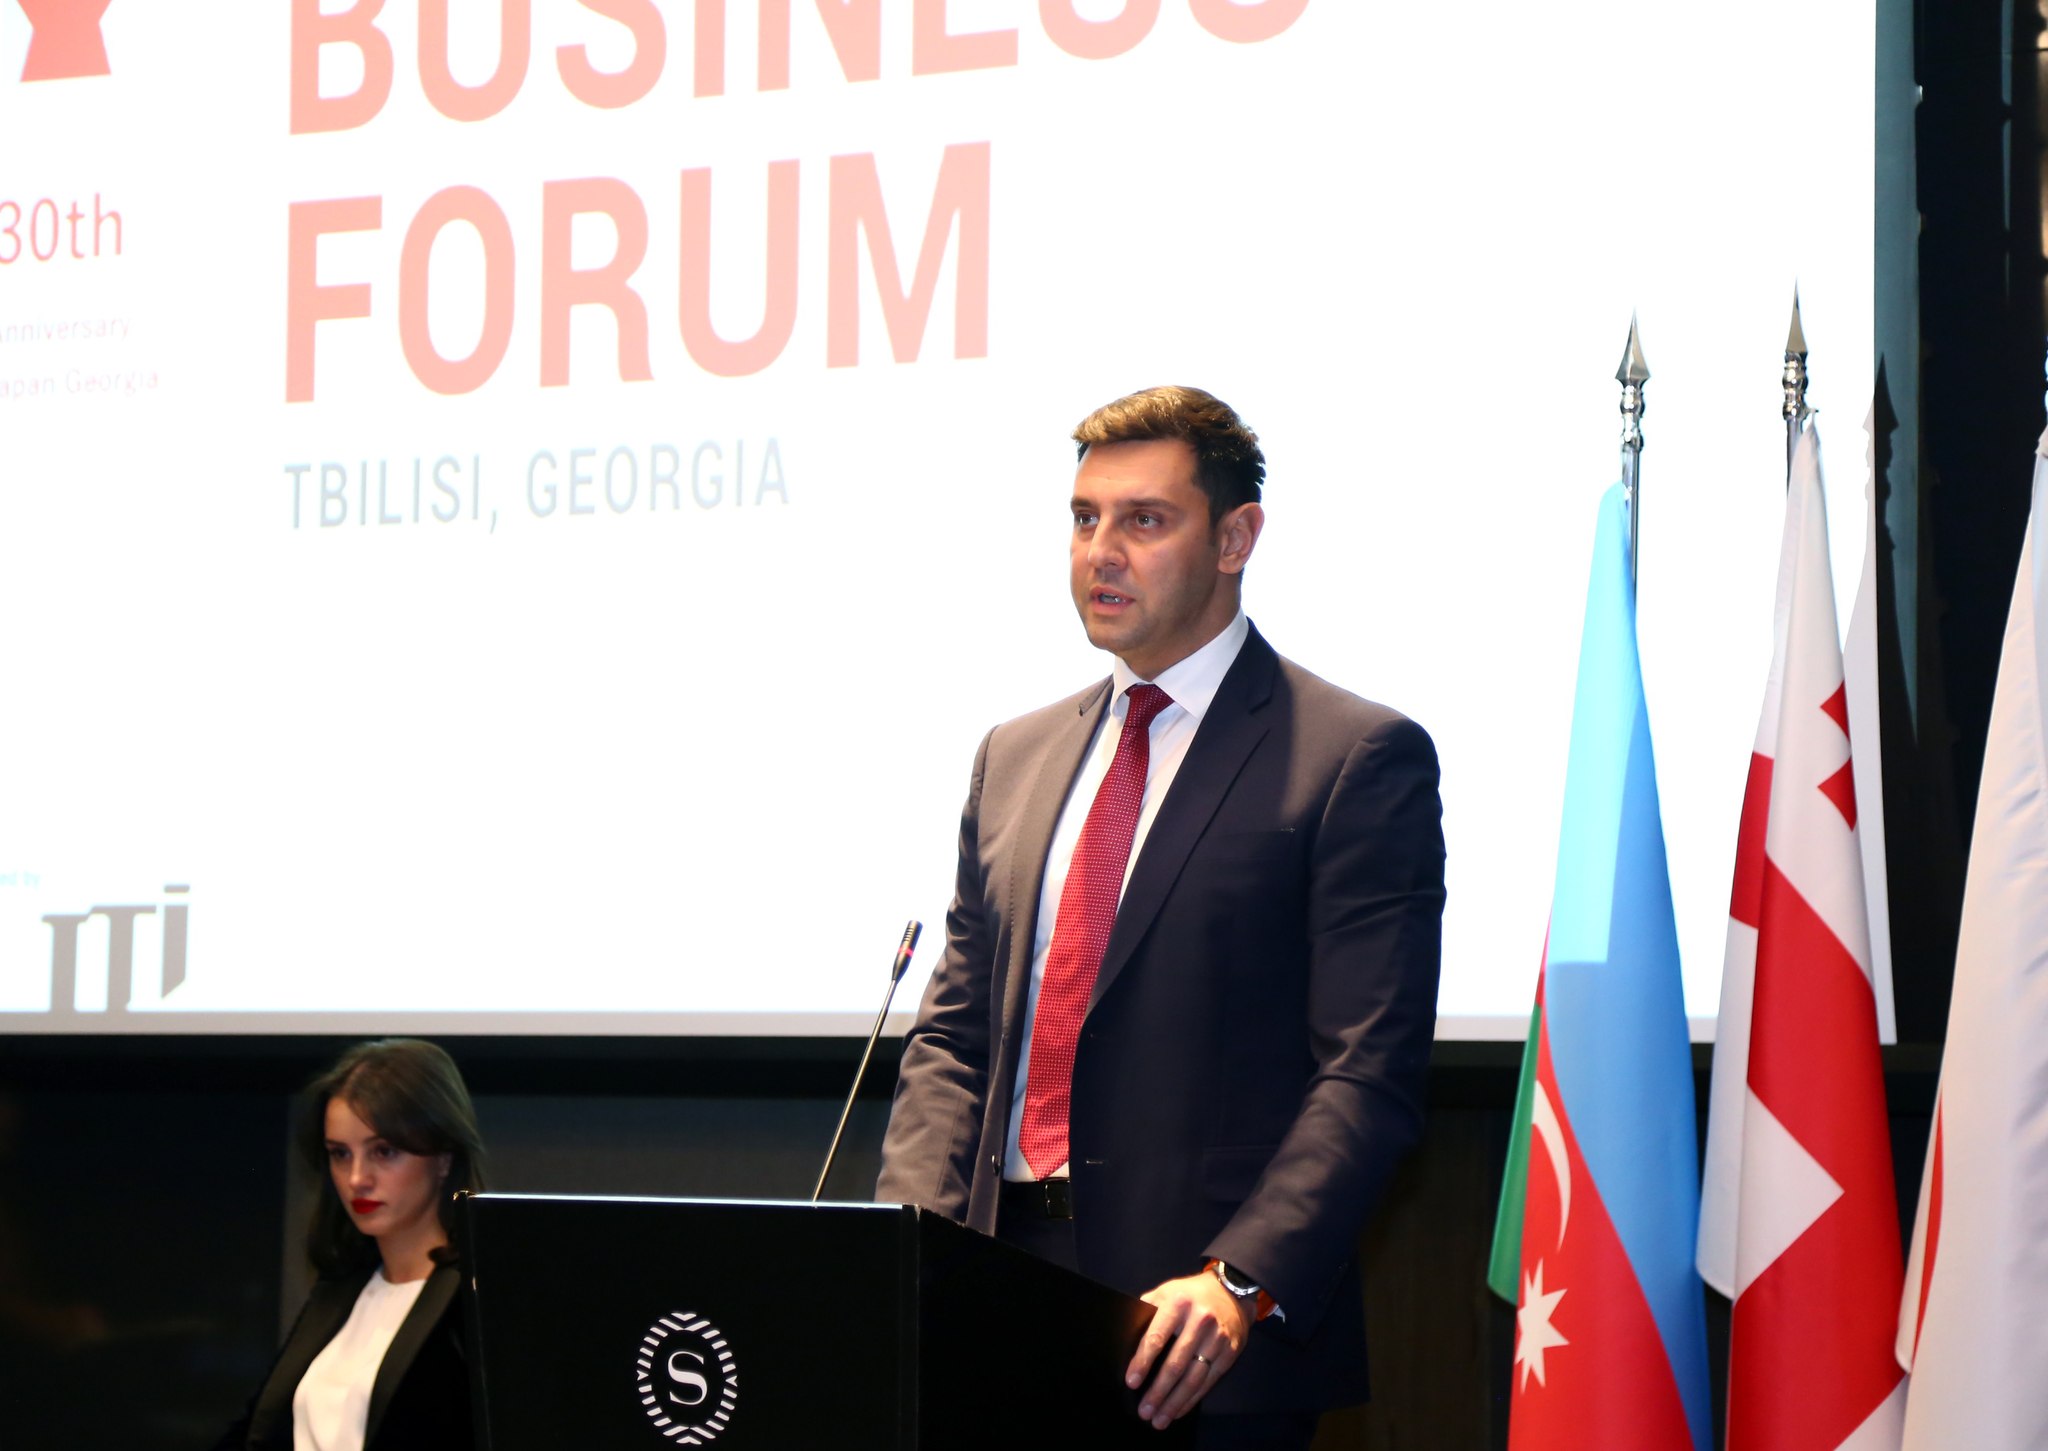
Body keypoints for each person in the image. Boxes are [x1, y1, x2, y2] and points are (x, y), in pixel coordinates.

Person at [877, 386, 1445, 1450]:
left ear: (1235, 538)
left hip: (1196, 1330)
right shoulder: (1014, 757)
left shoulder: (1351, 758)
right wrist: (909, 1239)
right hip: (989, 1295)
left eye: (1143, 519)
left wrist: (1240, 1277)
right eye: (1083, 517)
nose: (1100, 551)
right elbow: (954, 1039)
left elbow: (1366, 1073)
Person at [215, 1039, 486, 1451]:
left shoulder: (476, 1297)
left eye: (384, 1152)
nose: (357, 1178)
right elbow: (256, 1430)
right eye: (340, 1154)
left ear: (444, 1158)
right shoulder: (342, 1287)